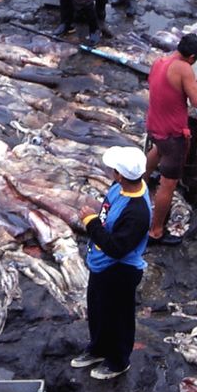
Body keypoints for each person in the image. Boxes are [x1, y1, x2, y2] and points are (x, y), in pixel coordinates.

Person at [72, 145, 152, 380]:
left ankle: (118, 361)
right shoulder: (119, 188)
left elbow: (118, 248)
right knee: (97, 308)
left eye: (113, 169)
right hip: (101, 264)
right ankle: (98, 348)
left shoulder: (138, 212)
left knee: (119, 316)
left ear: (120, 174)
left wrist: (91, 222)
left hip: (120, 270)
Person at [144, 34, 197, 246]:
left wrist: (195, 81)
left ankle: (136, 180)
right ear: (191, 57)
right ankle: (155, 230)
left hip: (154, 124)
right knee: (168, 183)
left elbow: (171, 87)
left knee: (157, 150)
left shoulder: (160, 61)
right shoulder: (184, 69)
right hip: (173, 132)